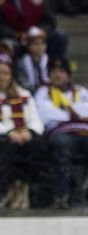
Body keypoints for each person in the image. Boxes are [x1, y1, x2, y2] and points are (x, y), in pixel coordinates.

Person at [0, 51, 45, 210]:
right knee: (4, 148)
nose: (2, 77)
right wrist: (8, 131)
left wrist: (29, 132)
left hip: (24, 135)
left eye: (5, 73)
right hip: (2, 136)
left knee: (36, 147)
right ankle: (4, 192)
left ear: (11, 75)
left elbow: (35, 119)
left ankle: (26, 190)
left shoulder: (24, 94)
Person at [34, 57, 88, 210]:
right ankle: (61, 195)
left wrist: (66, 111)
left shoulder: (81, 91)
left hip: (83, 132)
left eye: (61, 71)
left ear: (68, 74)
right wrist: (74, 112)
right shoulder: (43, 92)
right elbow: (45, 114)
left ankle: (81, 193)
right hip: (59, 132)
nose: (57, 75)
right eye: (54, 72)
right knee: (62, 145)